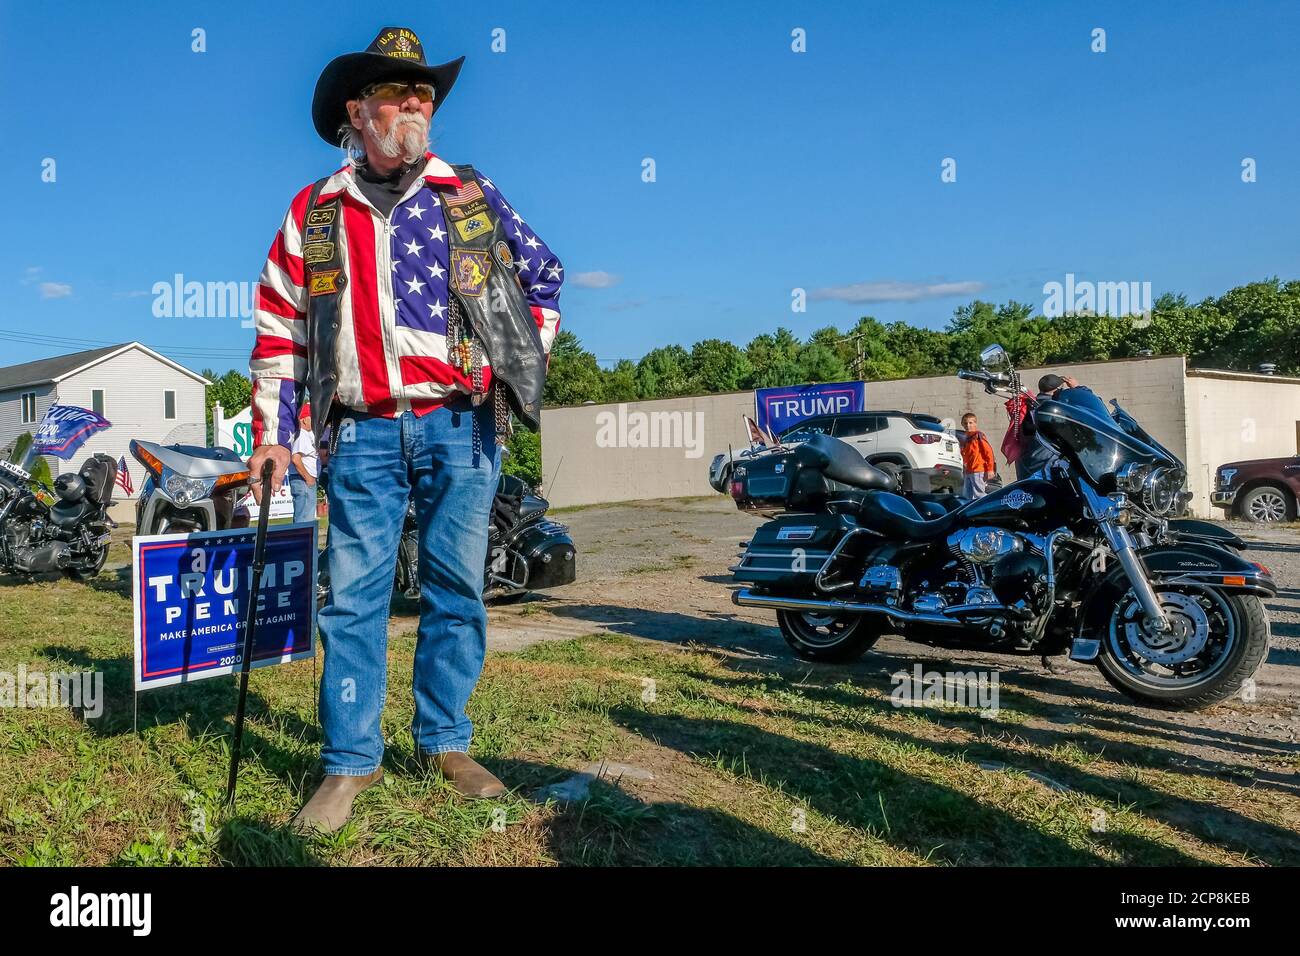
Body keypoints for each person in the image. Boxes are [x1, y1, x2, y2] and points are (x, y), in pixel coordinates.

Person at [245, 26, 563, 834]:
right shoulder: (316, 212)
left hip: (461, 425)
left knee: (457, 588)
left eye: (424, 92)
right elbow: (280, 330)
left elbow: (545, 278)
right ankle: (350, 764)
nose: (417, 102)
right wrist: (275, 437)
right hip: (362, 431)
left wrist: (511, 361)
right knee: (352, 601)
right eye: (398, 91)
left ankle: (445, 742)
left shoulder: (469, 193)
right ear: (359, 111)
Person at [1015, 373, 1079, 480]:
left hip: (1030, 465)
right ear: (1057, 391)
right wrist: (1078, 389)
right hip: (1048, 466)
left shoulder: (1032, 405)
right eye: (1061, 390)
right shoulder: (1052, 409)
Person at [287, 404, 318, 524]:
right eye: (312, 418)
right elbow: (296, 458)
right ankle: (301, 542)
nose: (314, 421)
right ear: (305, 419)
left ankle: (300, 541)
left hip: (302, 480)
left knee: (304, 517)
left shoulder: (302, 434)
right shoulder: (302, 435)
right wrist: (308, 478)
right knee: (304, 519)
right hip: (303, 480)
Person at [958, 412, 996, 498]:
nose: (968, 425)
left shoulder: (978, 436)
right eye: (965, 423)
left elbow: (988, 452)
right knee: (968, 496)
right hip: (968, 472)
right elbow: (965, 457)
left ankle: (988, 509)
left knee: (979, 495)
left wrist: (990, 469)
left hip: (978, 470)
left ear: (975, 423)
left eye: (970, 423)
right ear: (962, 425)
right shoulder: (967, 440)